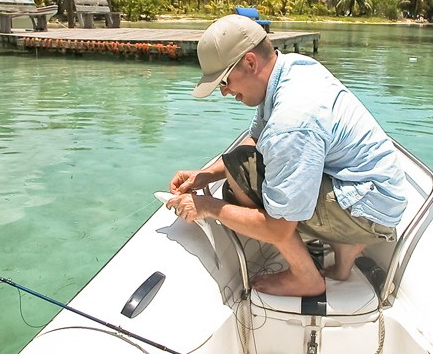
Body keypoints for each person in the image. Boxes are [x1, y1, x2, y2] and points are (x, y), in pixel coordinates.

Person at [166, 15, 408, 297]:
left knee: (239, 181)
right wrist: (205, 174)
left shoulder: (291, 120)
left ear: (250, 62)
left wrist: (207, 206)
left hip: (368, 211)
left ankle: (306, 277)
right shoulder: (291, 68)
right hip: (374, 190)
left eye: (225, 81)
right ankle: (345, 251)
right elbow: (255, 139)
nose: (224, 92)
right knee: (238, 165)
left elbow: (279, 229)